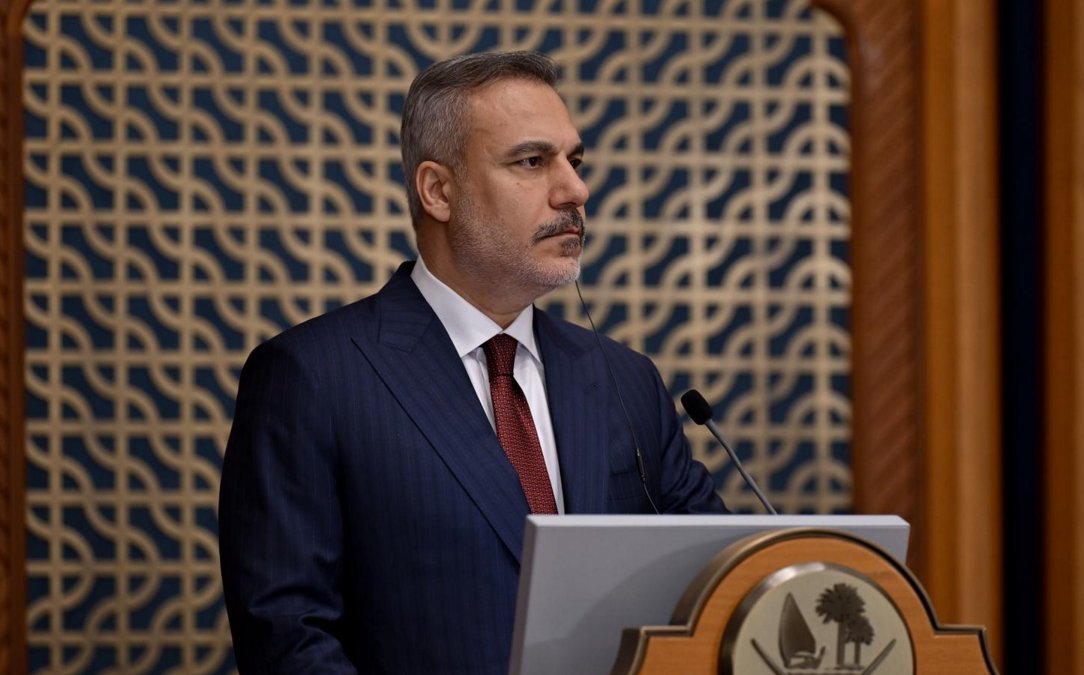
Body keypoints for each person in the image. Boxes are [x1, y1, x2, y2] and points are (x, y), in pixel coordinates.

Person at [218, 50, 727, 674]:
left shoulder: (626, 378)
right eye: (533, 162)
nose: (575, 190)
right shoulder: (311, 377)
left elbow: (717, 586)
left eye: (575, 160)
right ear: (438, 191)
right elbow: (288, 640)